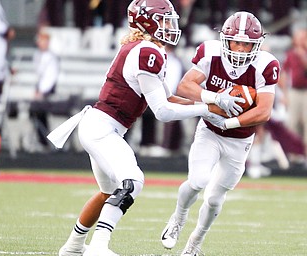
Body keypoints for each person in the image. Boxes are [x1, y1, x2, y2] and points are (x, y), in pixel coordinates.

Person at [47, 1, 244, 255]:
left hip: (101, 126)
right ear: (147, 21)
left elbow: (169, 97)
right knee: (132, 181)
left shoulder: (144, 49)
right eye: (163, 20)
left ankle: (73, 246)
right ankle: (98, 247)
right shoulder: (147, 52)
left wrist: (212, 101)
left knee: (109, 191)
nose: (170, 26)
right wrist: (206, 110)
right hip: (102, 128)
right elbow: (162, 111)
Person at [160, 11, 280, 255]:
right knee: (197, 181)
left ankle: (195, 243)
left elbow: (264, 111)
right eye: (236, 42)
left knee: (214, 198)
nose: (240, 49)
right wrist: (214, 98)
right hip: (210, 131)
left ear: (256, 45)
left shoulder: (266, 65)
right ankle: (178, 219)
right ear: (225, 40)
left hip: (240, 140)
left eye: (247, 44)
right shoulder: (211, 52)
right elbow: (184, 86)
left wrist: (231, 122)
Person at [278, 28, 307, 161]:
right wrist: (284, 94)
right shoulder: (290, 54)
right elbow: (283, 73)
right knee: (293, 123)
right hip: (294, 91)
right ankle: (295, 155)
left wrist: (303, 55)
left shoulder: (303, 54)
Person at [29, 30, 60, 151]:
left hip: (47, 91)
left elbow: (50, 77)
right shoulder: (38, 55)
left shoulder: (51, 57)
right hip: (40, 89)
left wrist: (42, 91)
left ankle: (44, 139)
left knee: (39, 112)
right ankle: (42, 139)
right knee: (36, 114)